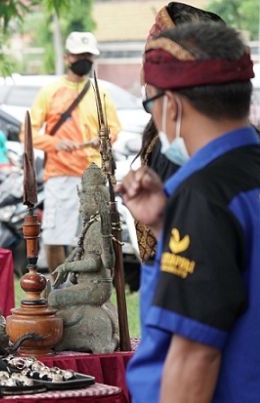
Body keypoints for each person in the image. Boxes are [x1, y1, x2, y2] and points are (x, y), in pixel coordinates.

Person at [120, 22, 259, 402]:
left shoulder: (204, 196)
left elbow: (195, 354)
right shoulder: (246, 177)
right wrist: (168, 226)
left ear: (172, 105)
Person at [134, 2, 224, 263]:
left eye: (152, 62)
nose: (143, 74)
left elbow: (179, 261)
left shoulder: (177, 143)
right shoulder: (239, 135)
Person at [28, 31, 120, 274]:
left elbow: (114, 129)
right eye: (80, 55)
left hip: (93, 176)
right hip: (60, 175)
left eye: (89, 56)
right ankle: (59, 286)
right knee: (55, 234)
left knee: (95, 236)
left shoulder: (101, 92)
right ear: (67, 57)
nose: (85, 60)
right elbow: (28, 133)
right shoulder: (50, 91)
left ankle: (89, 286)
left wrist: (100, 140)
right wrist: (54, 143)